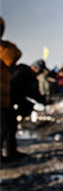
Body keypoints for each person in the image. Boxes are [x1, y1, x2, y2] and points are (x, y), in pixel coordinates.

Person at [0, 17, 22, 161]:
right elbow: (14, 54)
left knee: (8, 126)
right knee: (4, 128)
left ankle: (10, 152)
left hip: (3, 96)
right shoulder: (4, 49)